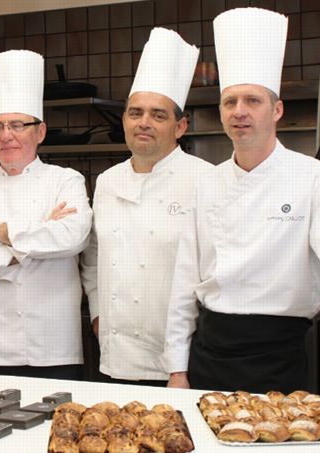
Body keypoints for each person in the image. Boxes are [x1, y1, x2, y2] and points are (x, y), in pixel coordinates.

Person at [162, 7, 320, 406]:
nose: (239, 111)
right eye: (229, 101)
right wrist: (177, 370)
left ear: (276, 110)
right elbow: (185, 280)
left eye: (252, 100)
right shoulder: (207, 184)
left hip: (279, 357)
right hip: (209, 353)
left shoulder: (318, 179)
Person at [0, 50, 92, 379]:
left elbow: (72, 237)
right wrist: (39, 233)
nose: (6, 135)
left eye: (16, 125)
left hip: (53, 346)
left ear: (40, 132)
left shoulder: (66, 180)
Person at [80, 28, 212, 385]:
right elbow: (93, 258)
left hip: (183, 362)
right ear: (123, 120)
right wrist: (97, 315)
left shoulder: (208, 181)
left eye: (158, 114)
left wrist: (183, 361)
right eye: (135, 112)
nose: (144, 122)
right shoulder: (107, 182)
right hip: (115, 358)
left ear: (180, 126)